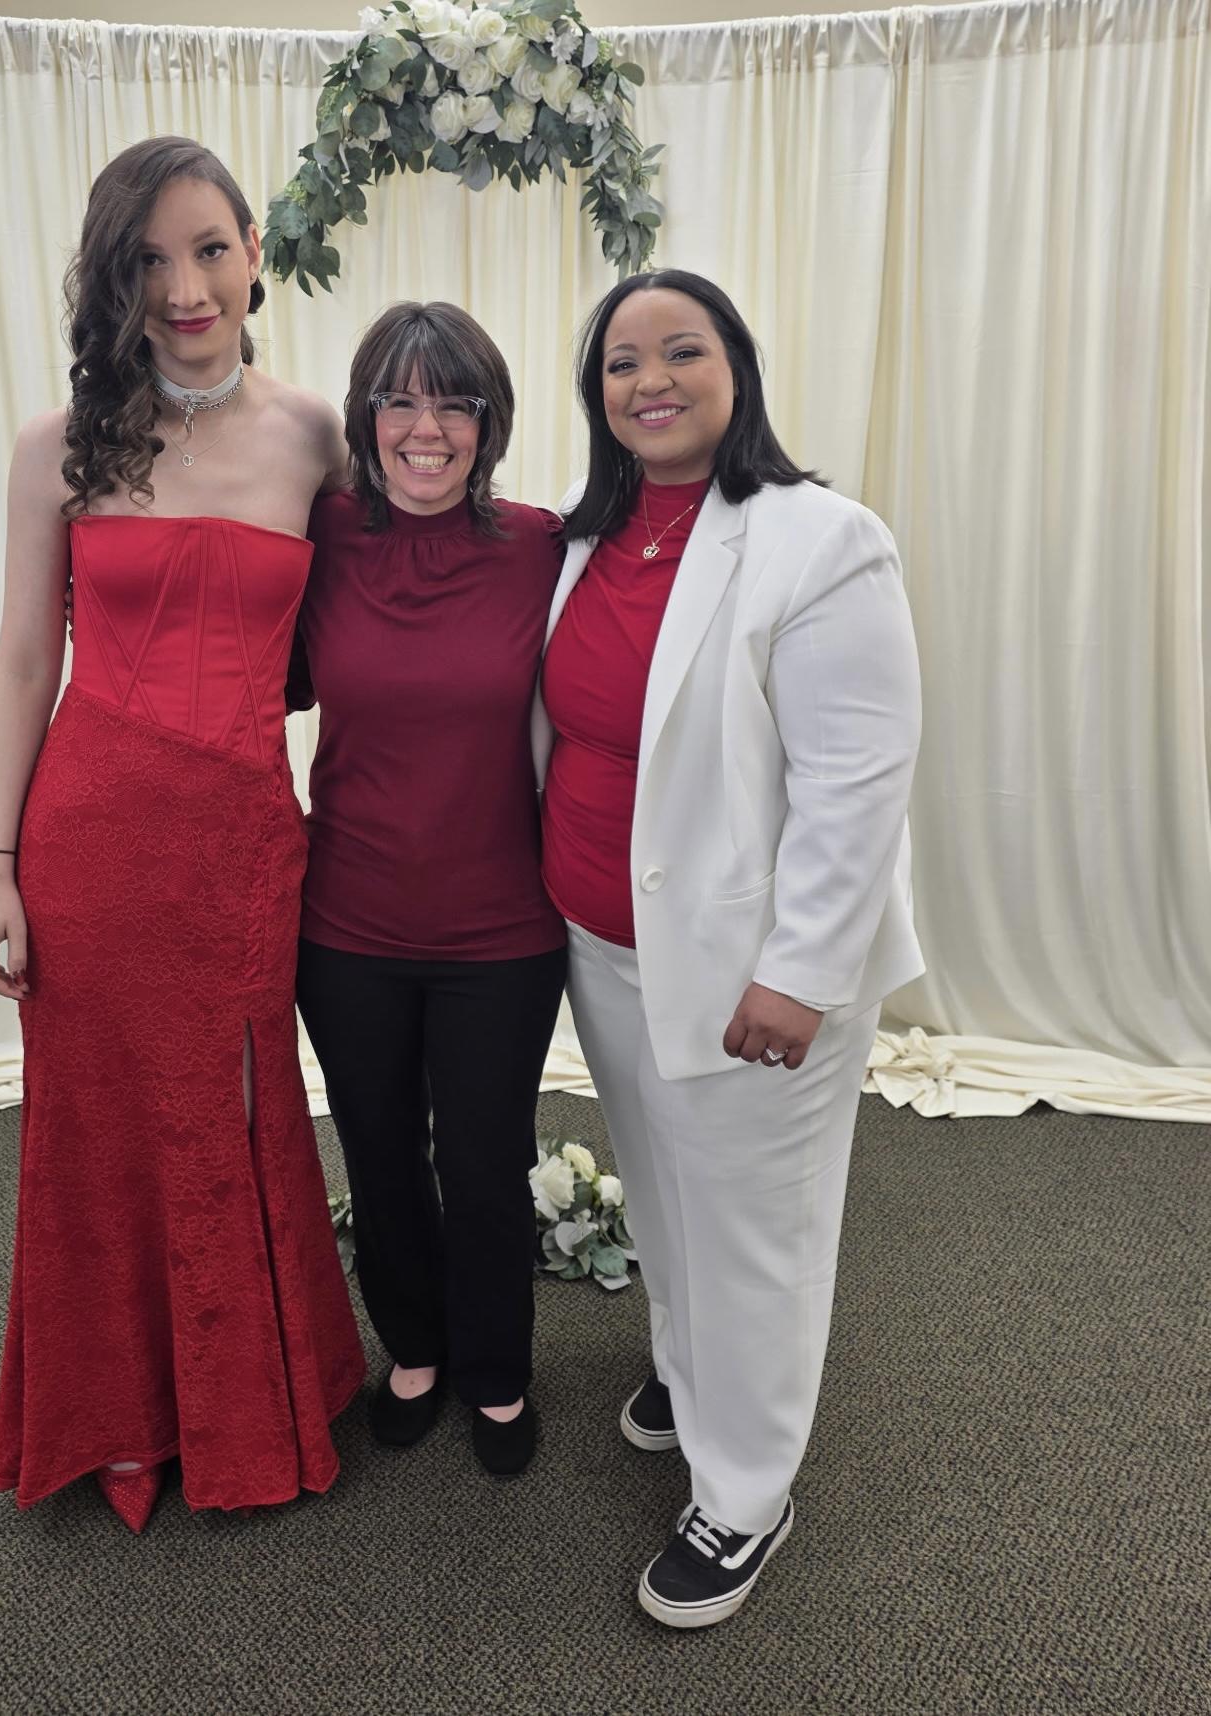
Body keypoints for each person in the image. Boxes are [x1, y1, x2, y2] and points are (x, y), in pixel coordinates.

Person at [0, 136, 365, 1533]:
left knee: (241, 1111)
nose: (183, 289)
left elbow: (369, 629)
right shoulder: (57, 447)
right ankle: (121, 1414)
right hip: (90, 838)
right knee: (94, 1124)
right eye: (146, 261)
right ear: (111, 280)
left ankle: (249, 1403)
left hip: (242, 841)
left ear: (255, 253)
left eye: (206, 250)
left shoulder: (315, 437)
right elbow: (26, 660)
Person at [536, 270, 922, 1624]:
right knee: (661, 1190)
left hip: (750, 972)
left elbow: (855, 781)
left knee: (755, 1227)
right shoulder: (587, 531)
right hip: (605, 945)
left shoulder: (820, 541)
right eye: (619, 362)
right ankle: (691, 1373)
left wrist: (800, 972)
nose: (648, 380)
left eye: (680, 351)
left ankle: (745, 1490)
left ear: (735, 369)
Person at [288, 302, 566, 1477]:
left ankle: (495, 1366)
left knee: (486, 1160)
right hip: (345, 921)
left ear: (488, 423)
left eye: (454, 403)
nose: (425, 429)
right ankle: (412, 1346)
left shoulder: (541, 547)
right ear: (365, 417)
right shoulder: (320, 535)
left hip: (502, 929)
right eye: (398, 401)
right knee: (378, 1147)